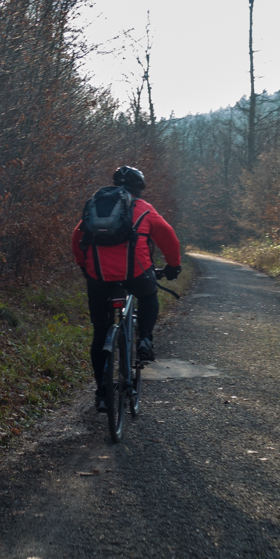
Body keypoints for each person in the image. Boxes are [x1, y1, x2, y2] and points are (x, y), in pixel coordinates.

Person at [71, 165, 182, 412]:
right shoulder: (144, 209)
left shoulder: (96, 206)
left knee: (100, 333)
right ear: (139, 188)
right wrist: (173, 266)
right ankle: (144, 339)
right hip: (136, 274)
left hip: (98, 277)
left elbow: (77, 238)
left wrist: (84, 265)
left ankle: (102, 392)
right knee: (149, 293)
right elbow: (168, 237)